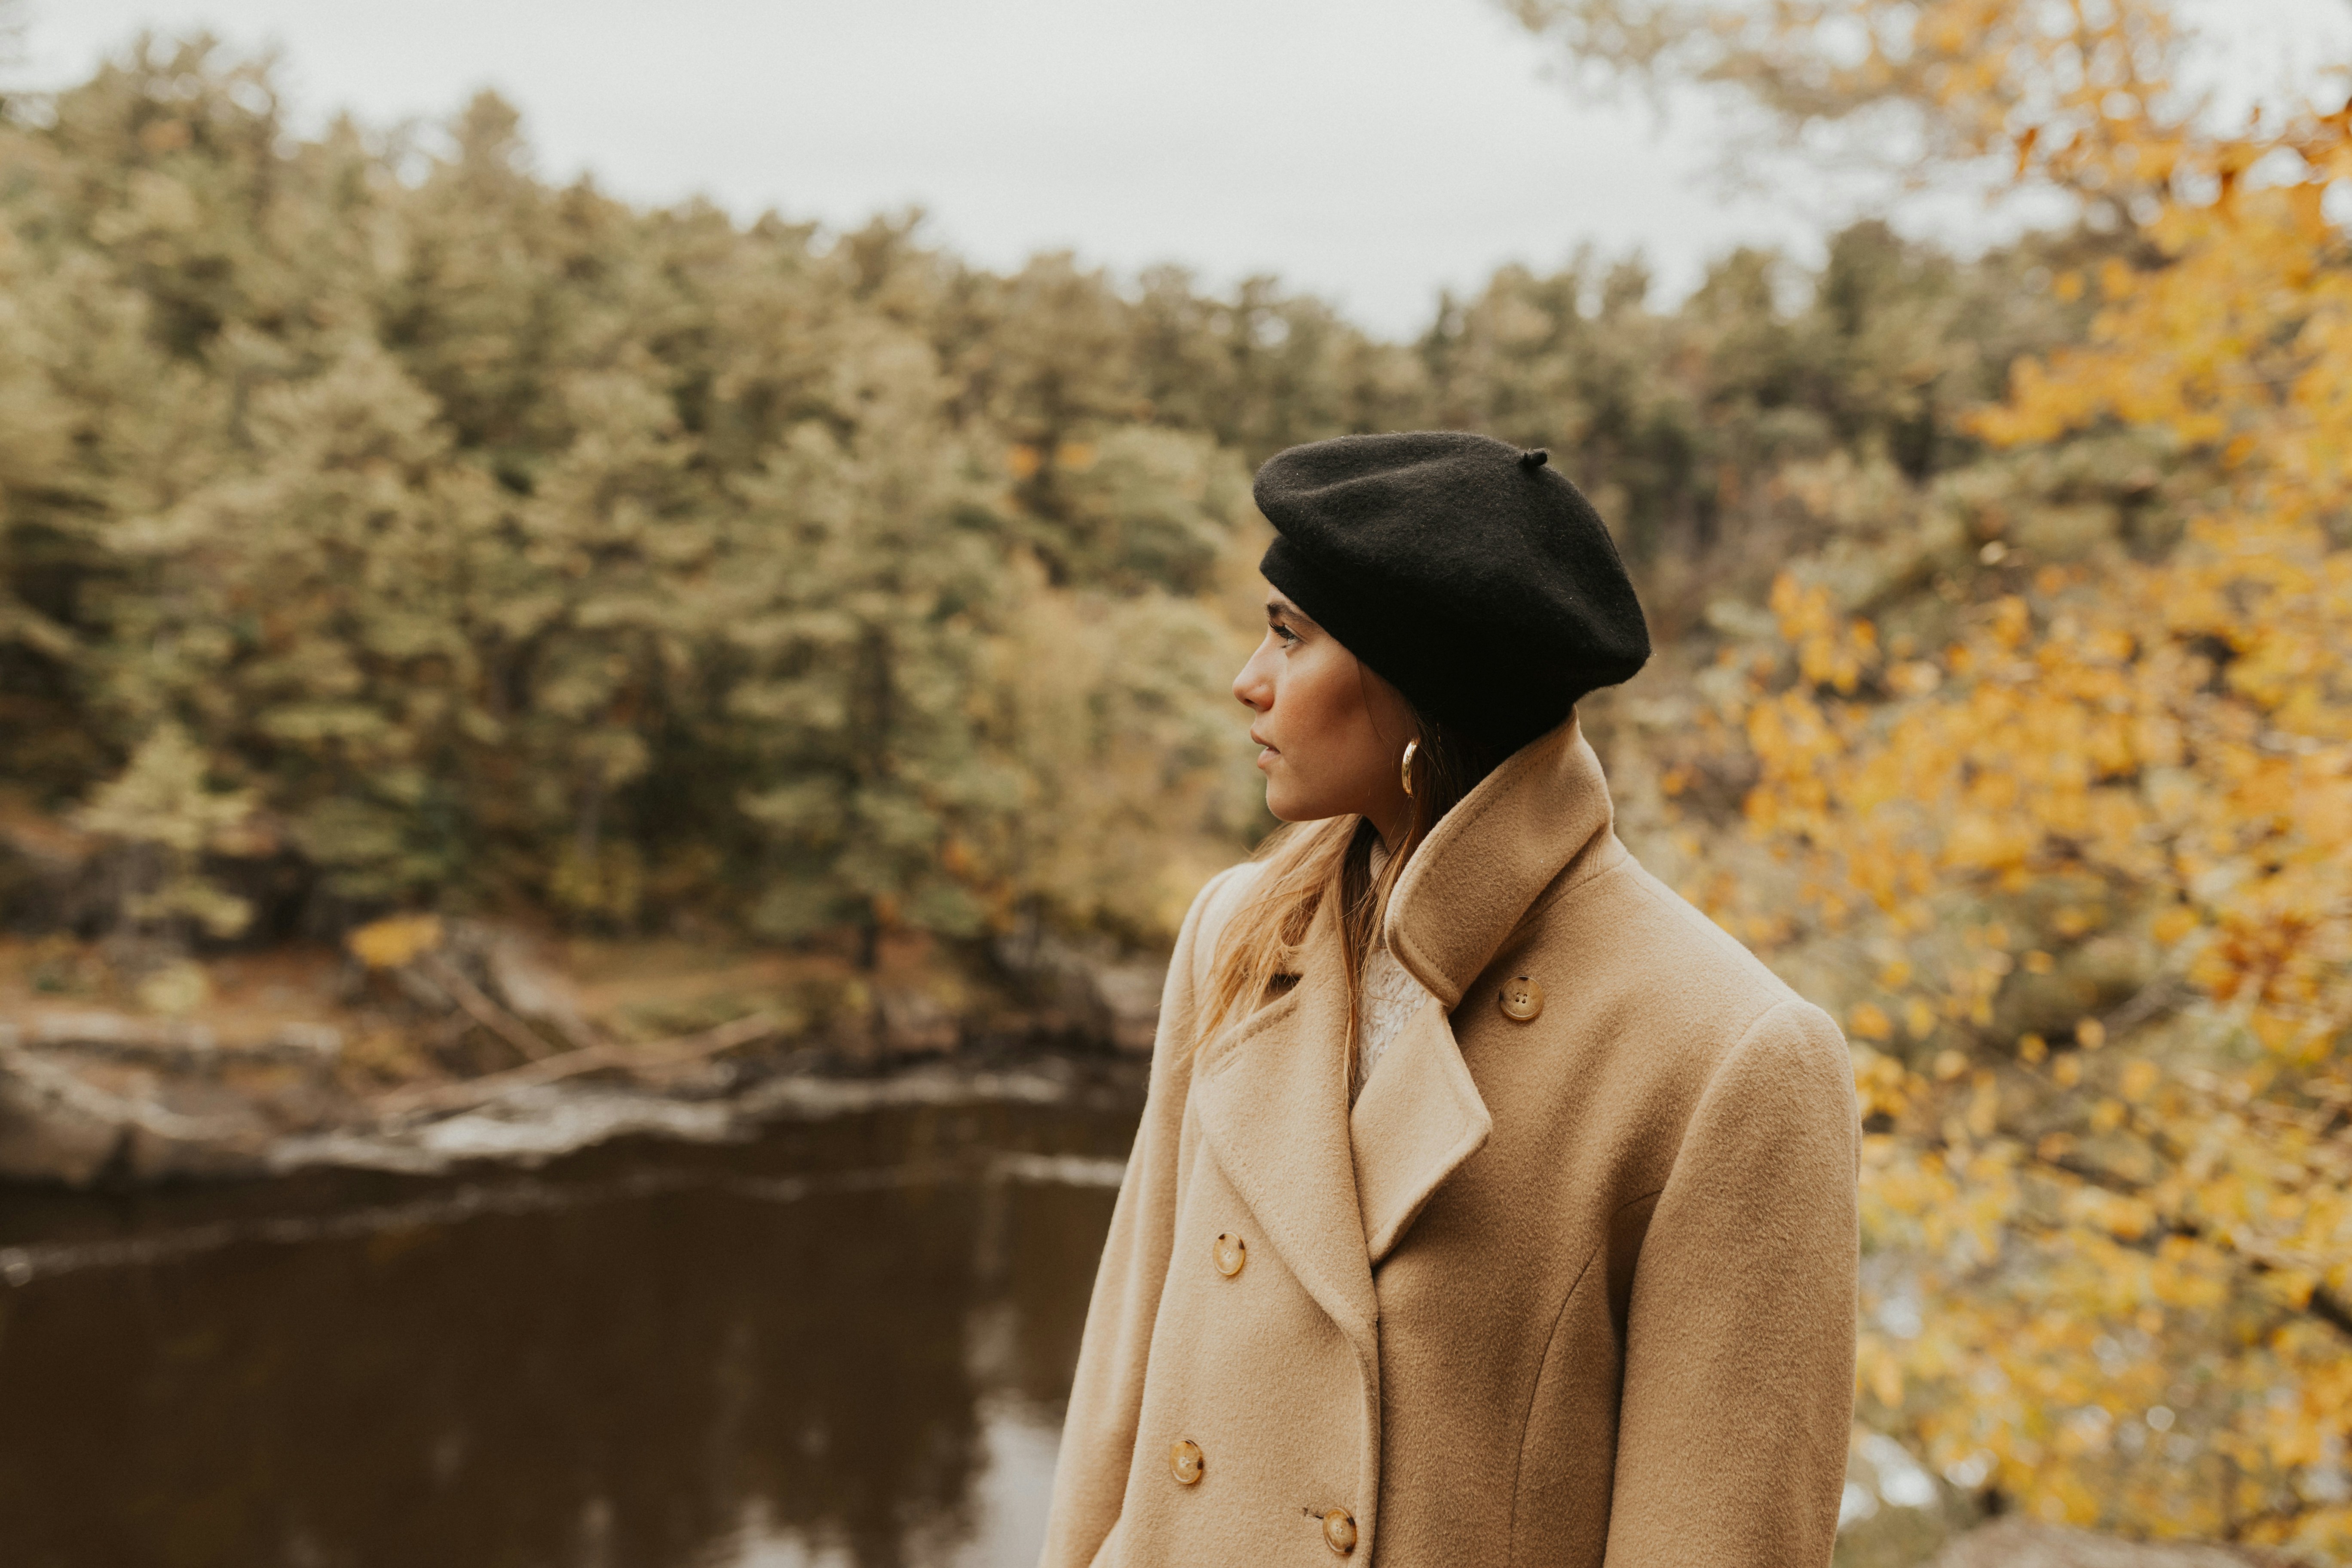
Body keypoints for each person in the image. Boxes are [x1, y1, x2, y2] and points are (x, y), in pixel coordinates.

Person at [1038, 431, 1860, 1568]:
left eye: (1291, 634)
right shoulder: (1237, 929)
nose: (1249, 679)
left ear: (1421, 688)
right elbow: (1119, 1398)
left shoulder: (1729, 1055)